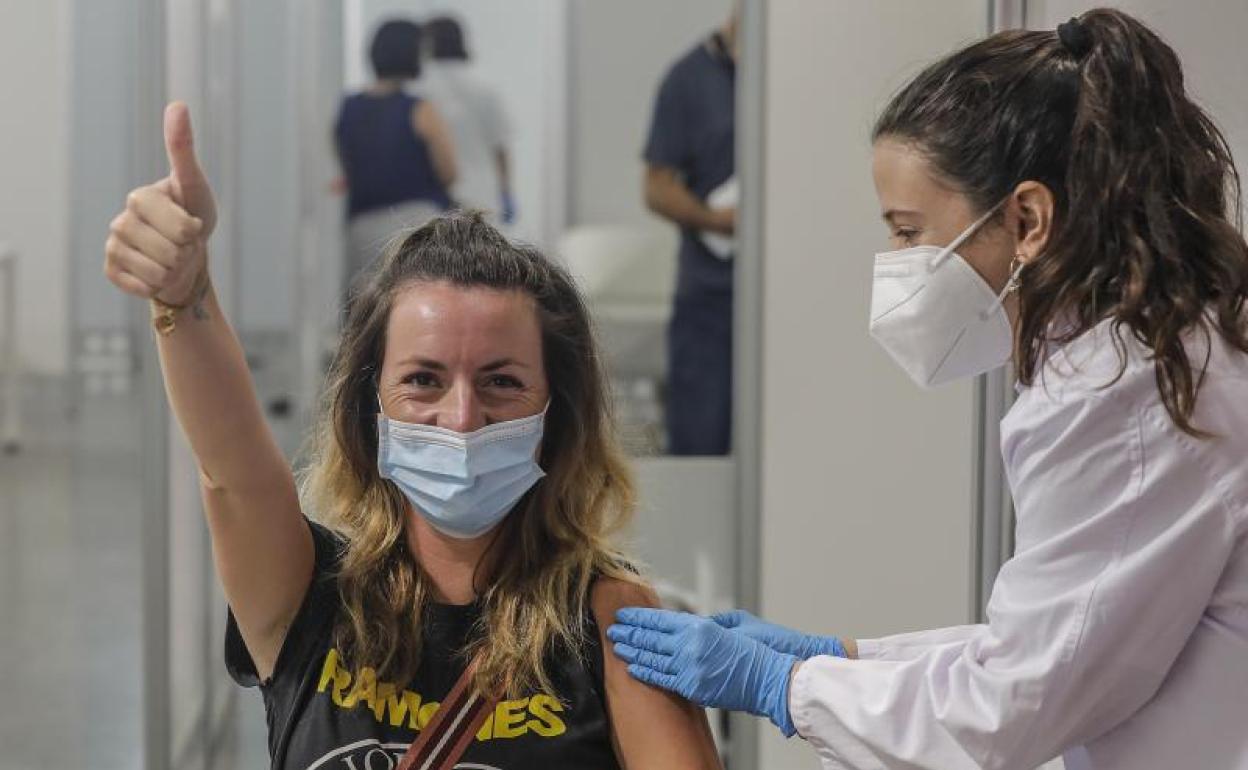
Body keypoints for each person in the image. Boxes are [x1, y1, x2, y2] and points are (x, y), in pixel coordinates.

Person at [610, 9, 1248, 769]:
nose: (895, 259)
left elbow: (1012, 706)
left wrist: (786, 685)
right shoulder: (1159, 348)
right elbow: (1062, 639)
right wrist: (842, 659)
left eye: (909, 231)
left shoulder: (1119, 396)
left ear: (1028, 219)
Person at [103, 103, 723, 769]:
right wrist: (184, 294)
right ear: (371, 407)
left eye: (502, 382)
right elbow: (232, 472)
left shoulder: (611, 620)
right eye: (424, 380)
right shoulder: (309, 594)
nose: (462, 417)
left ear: (557, 411)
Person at [642, 11, 737, 456]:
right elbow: (656, 187)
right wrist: (715, 220)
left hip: (784, 296)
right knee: (701, 440)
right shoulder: (689, 79)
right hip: (709, 296)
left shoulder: (790, 77)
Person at [335, 19, 457, 304]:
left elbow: (346, 163)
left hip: (362, 227)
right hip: (417, 222)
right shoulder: (419, 109)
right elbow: (448, 171)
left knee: (366, 309)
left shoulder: (348, 109)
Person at [417, 16, 516, 225]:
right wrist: (506, 192)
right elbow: (500, 148)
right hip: (482, 196)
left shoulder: (419, 88)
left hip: (432, 200)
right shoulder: (485, 86)